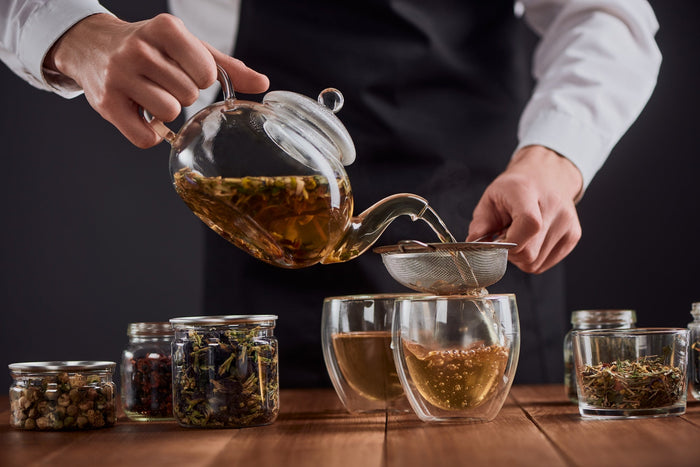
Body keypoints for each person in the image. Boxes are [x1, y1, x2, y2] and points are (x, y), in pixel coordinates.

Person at [0, 0, 661, 386]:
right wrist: (71, 33)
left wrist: (552, 158)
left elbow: (610, 13)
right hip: (263, 202)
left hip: (481, 215)